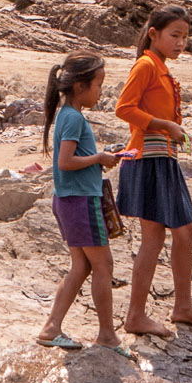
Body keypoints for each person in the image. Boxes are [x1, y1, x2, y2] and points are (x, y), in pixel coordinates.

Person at [115, 5, 192, 338]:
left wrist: (177, 132)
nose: (180, 43)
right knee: (168, 235)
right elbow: (123, 108)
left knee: (170, 235)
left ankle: (178, 308)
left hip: (160, 158)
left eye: (185, 37)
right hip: (148, 159)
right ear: (154, 34)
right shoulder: (146, 65)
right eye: (175, 36)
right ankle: (144, 314)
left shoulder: (159, 67)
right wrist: (166, 125)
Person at [35, 53, 123, 353]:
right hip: (81, 202)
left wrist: (99, 158)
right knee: (103, 264)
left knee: (81, 266)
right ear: (81, 86)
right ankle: (107, 335)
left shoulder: (67, 115)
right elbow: (66, 161)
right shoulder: (72, 117)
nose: (101, 91)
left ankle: (51, 327)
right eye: (99, 85)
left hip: (70, 200)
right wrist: (99, 158)